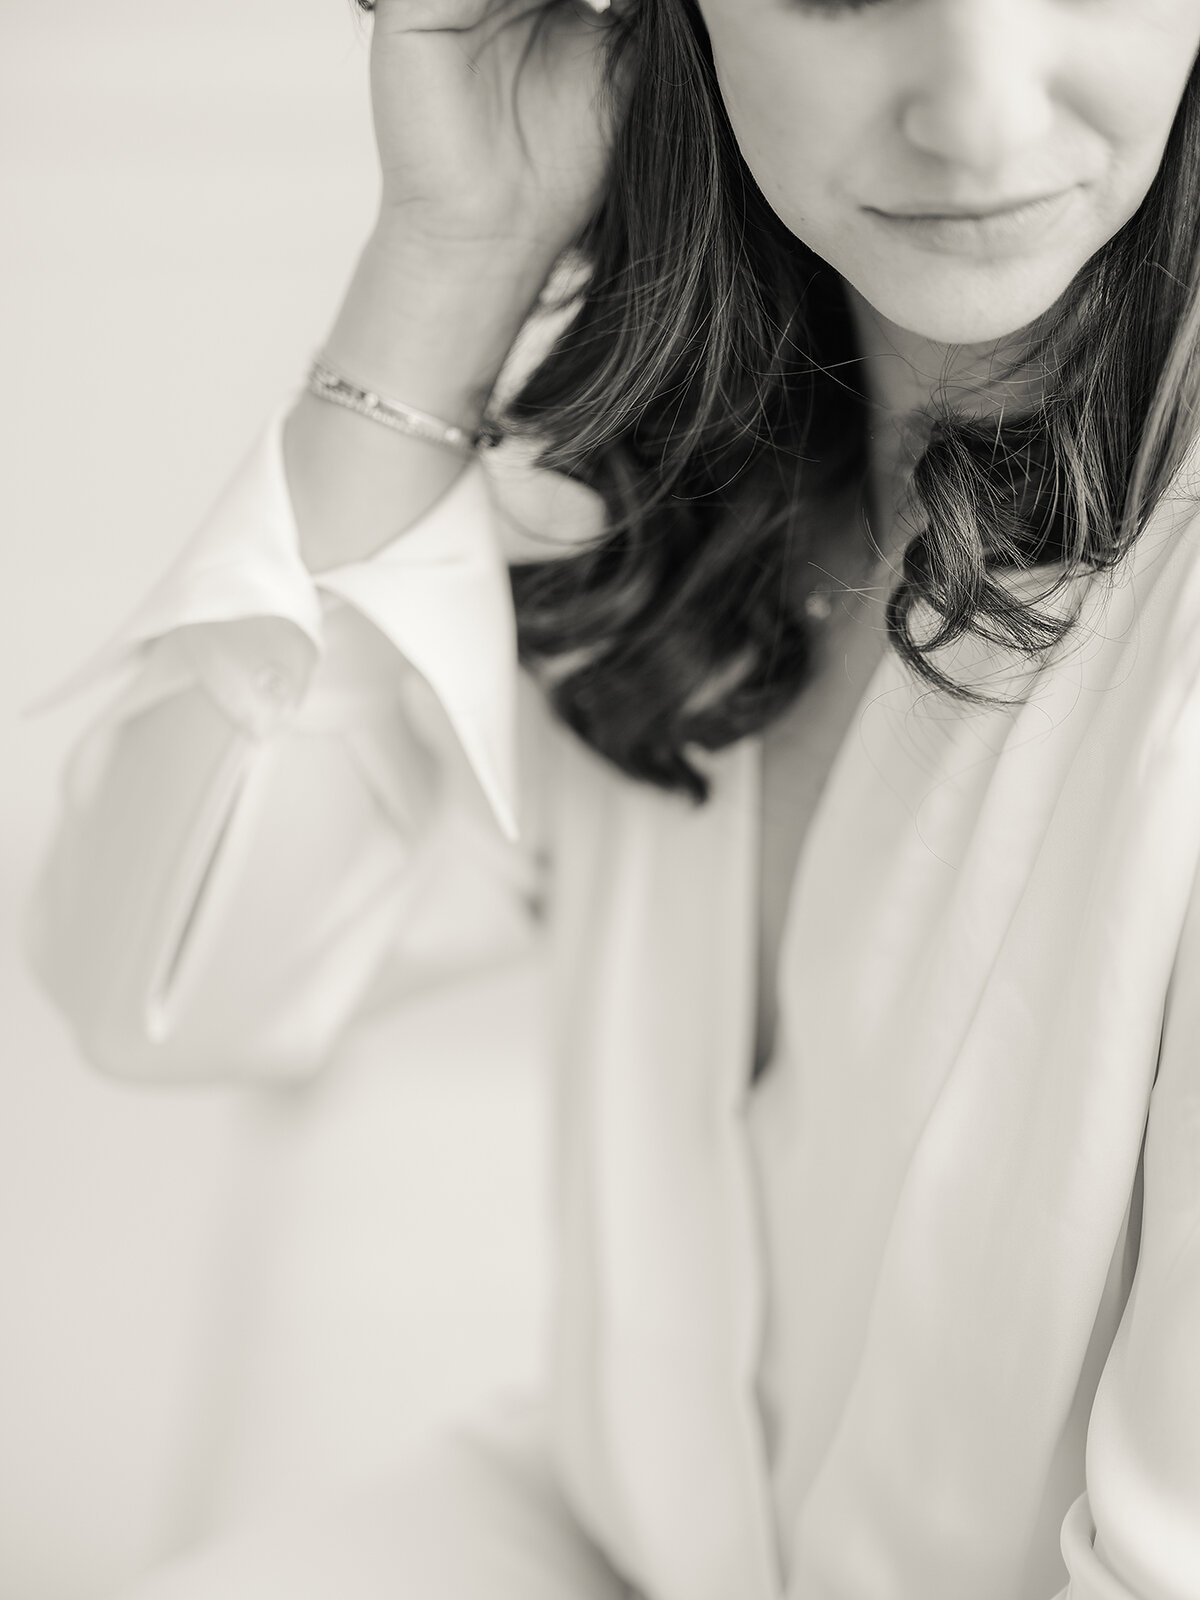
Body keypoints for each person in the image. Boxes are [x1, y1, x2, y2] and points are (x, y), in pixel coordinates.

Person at [24, 0, 1200, 1594]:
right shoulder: (678, 449)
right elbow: (162, 989)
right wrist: (451, 251)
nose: (979, 117)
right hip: (609, 1532)